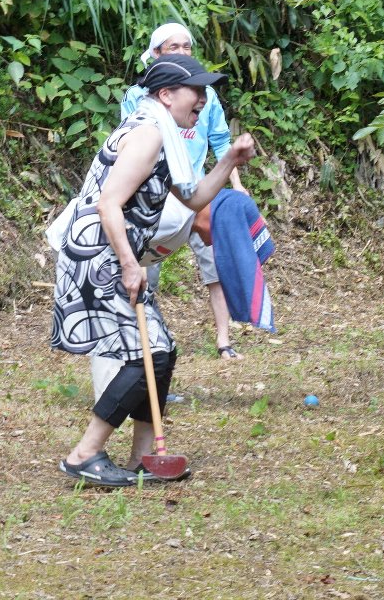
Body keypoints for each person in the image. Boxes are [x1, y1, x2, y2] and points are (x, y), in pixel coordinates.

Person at [53, 54, 256, 487]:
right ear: (166, 95)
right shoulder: (146, 134)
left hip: (115, 251)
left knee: (161, 353)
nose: (202, 99)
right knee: (145, 353)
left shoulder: (168, 137)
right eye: (195, 91)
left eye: (205, 91)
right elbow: (108, 203)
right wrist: (130, 265)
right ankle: (84, 455)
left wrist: (230, 161)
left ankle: (144, 457)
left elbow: (194, 197)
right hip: (98, 253)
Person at [121, 23, 249, 360]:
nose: (181, 52)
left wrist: (236, 181)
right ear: (156, 54)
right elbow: (113, 192)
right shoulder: (143, 108)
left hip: (195, 188)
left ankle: (224, 340)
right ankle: (140, 342)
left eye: (186, 46)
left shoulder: (202, 95)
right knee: (144, 270)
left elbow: (219, 141)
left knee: (214, 263)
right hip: (156, 196)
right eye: (173, 47)